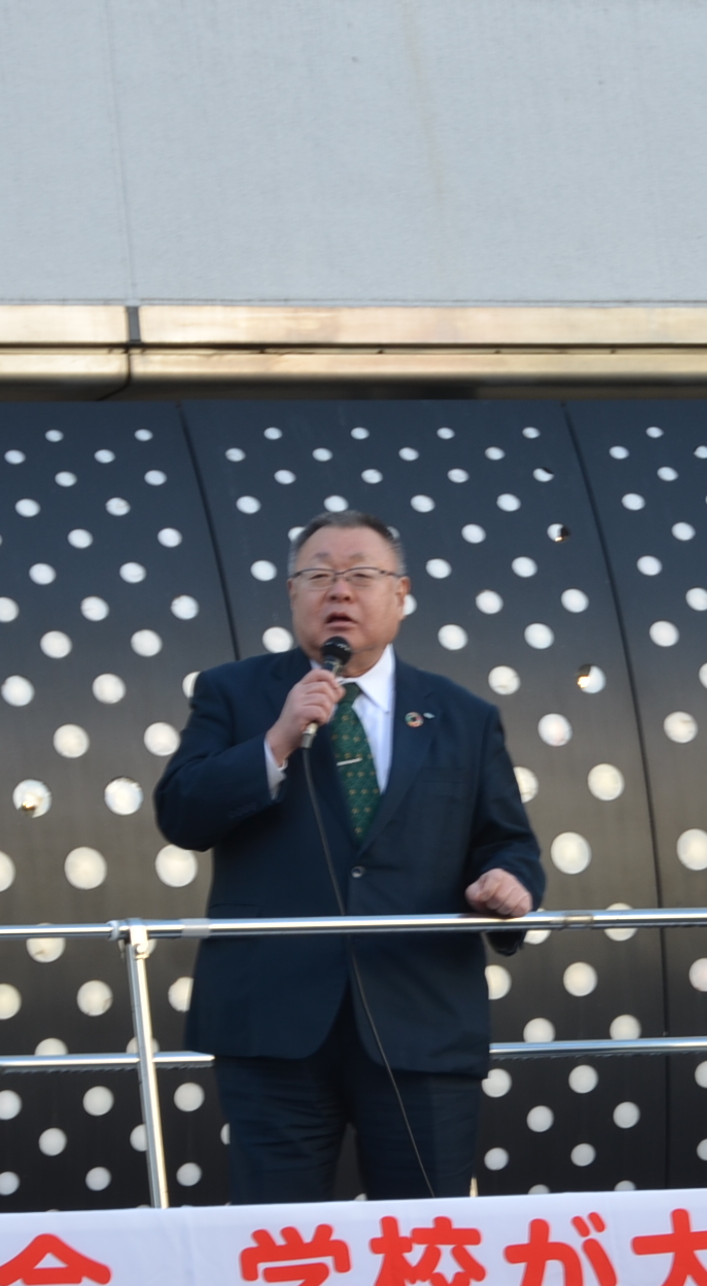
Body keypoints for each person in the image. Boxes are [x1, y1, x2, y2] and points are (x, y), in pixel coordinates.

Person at [154, 509, 544, 1203]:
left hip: (421, 1020)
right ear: (292, 594)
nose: (339, 591)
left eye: (361, 574)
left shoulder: (464, 715)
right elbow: (181, 813)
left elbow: (508, 841)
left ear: (401, 593)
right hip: (273, 1024)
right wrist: (276, 740)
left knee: (426, 1241)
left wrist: (507, 882)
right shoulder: (233, 692)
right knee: (280, 1240)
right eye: (319, 576)